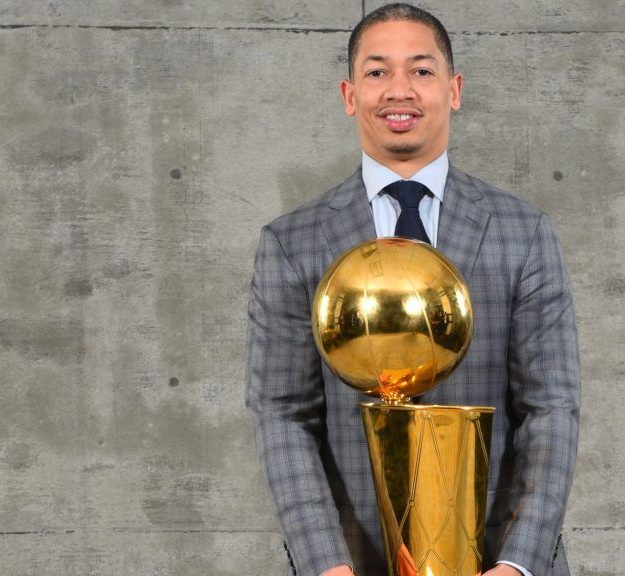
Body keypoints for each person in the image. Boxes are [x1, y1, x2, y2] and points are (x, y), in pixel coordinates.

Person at [245, 4, 580, 576]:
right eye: (377, 72)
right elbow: (281, 414)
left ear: (454, 90)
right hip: (351, 561)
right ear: (350, 95)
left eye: (421, 71)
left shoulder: (523, 232)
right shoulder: (291, 243)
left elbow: (551, 408)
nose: (399, 90)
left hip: (496, 561)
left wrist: (519, 564)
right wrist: (327, 565)